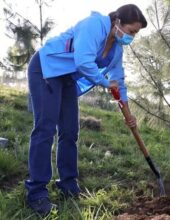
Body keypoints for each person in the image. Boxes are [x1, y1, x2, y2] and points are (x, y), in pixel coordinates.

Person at [25, 4, 147, 215]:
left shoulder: (117, 49)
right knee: (45, 129)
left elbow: (119, 81)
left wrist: (128, 114)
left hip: (66, 78)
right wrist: (105, 83)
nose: (132, 38)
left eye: (135, 34)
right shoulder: (94, 25)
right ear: (118, 22)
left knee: (70, 131)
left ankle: (68, 184)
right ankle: (36, 194)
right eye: (132, 31)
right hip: (46, 68)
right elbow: (83, 61)